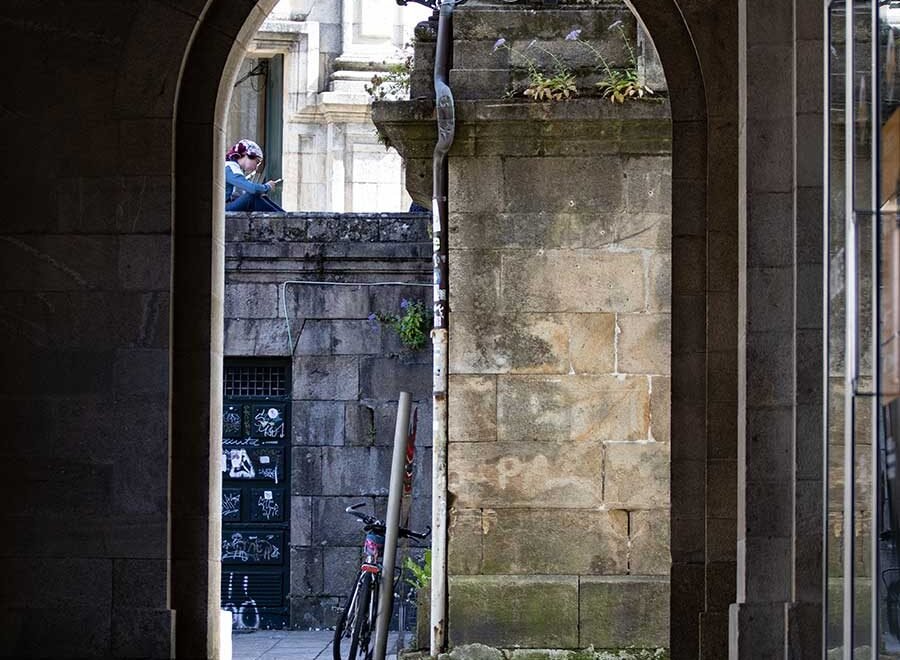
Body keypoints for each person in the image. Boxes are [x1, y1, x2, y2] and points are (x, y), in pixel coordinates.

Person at [225, 139, 286, 212]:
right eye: (257, 162)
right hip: (223, 209)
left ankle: (283, 214)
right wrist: (267, 186)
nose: (256, 167)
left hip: (225, 206)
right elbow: (253, 189)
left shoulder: (230, 167)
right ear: (246, 155)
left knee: (261, 196)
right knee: (251, 196)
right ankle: (282, 216)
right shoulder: (230, 168)